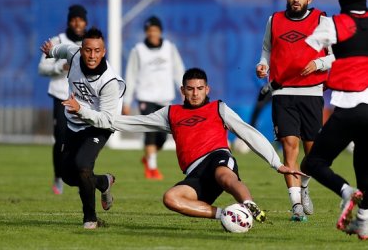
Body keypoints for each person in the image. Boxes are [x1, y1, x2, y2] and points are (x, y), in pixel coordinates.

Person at [69, 67, 306, 223]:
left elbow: (248, 133)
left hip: (218, 157)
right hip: (195, 173)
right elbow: (123, 122)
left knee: (225, 176)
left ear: (207, 89)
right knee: (170, 198)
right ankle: (227, 214)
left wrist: (276, 164)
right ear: (182, 90)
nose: (195, 94)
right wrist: (86, 112)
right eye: (190, 89)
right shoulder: (170, 113)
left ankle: (250, 206)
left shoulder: (218, 108)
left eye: (200, 89)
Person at [256, 0, 335, 221]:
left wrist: (319, 63)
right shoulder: (274, 20)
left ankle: (304, 187)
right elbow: (267, 48)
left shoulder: (322, 20)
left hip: (311, 92)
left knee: (313, 155)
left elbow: (336, 55)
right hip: (282, 93)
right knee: (290, 147)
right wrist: (263, 65)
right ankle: (296, 206)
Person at [40, 27, 126, 229]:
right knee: (67, 175)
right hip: (74, 123)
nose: (92, 55)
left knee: (82, 165)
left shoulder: (110, 82)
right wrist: (51, 51)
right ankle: (103, 182)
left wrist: (81, 109)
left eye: (97, 51)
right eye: (88, 50)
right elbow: (64, 50)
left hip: (99, 126)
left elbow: (105, 120)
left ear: (104, 51)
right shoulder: (74, 53)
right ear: (82, 49)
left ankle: (90, 219)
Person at [301, 0, 368, 240]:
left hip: (350, 107)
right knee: (364, 168)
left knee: (314, 162)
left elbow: (309, 45)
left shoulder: (334, 23)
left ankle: (345, 191)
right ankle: (362, 223)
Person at [123, 15, 185, 180]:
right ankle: (152, 169)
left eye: (155, 30)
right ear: (146, 32)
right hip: (145, 97)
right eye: (150, 30)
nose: (152, 33)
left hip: (165, 97)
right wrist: (127, 101)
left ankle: (149, 157)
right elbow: (131, 75)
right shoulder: (138, 50)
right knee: (150, 131)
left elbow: (178, 70)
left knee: (162, 136)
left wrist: (184, 89)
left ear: (160, 31)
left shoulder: (169, 48)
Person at [38, 4, 88, 195]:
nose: (78, 23)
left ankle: (79, 174)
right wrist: (60, 68)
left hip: (82, 98)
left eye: (81, 19)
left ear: (85, 22)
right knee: (60, 138)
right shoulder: (58, 40)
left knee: (81, 139)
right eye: (74, 19)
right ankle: (58, 177)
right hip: (61, 96)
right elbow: (42, 68)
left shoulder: (89, 43)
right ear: (69, 22)